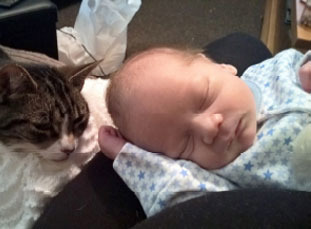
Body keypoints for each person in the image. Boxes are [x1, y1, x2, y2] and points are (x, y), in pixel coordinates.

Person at [33, 33, 311, 228]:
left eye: (204, 97)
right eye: (186, 144)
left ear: (223, 67)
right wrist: (127, 156)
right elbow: (180, 195)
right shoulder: (221, 179)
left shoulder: (279, 70)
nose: (209, 128)